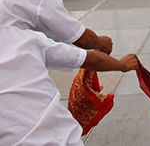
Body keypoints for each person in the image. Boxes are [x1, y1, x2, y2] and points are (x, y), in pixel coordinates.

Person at [0, 25, 138, 145]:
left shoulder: (21, 37)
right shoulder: (21, 37)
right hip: (60, 138)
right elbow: (91, 57)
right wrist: (123, 65)